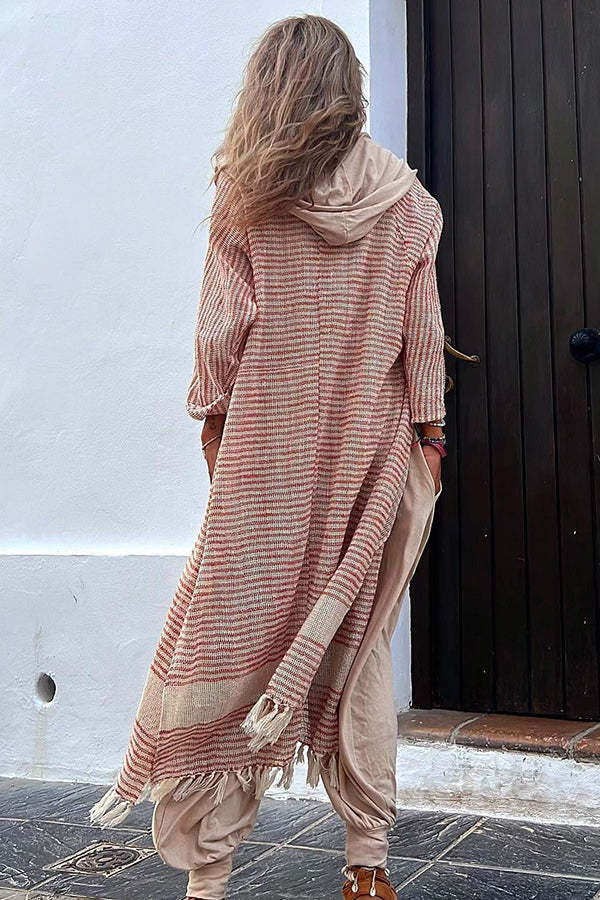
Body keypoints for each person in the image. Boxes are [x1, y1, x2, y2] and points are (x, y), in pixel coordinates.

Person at [89, 14, 446, 900]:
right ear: (349, 89)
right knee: (359, 650)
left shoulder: (247, 198)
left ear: (270, 89)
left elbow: (218, 348)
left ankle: (208, 880)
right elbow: (423, 338)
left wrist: (222, 442)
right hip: (371, 465)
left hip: (267, 468)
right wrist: (431, 438)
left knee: (225, 643)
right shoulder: (410, 206)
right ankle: (368, 867)